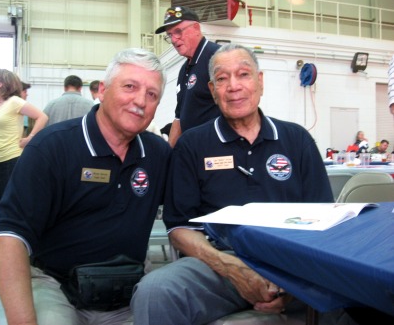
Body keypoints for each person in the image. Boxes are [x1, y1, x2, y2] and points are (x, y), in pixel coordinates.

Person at [131, 44, 339, 325]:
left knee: (352, 288)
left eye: (243, 74)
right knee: (156, 291)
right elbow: (180, 229)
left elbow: (324, 222)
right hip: (218, 264)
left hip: (292, 262)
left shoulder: (297, 140)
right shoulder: (192, 145)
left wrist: (293, 284)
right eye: (222, 78)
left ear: (260, 81)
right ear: (212, 89)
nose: (233, 86)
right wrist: (231, 268)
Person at [0, 48, 171, 325]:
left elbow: (190, 210)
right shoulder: (52, 147)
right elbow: (9, 238)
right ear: (101, 90)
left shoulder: (157, 154)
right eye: (130, 87)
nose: (140, 101)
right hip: (56, 286)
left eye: (152, 94)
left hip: (129, 288)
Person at [0, 69, 48, 270]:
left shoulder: (15, 102)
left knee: (11, 207)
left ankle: (18, 252)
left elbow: (42, 117)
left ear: (0, 84)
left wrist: (30, 138)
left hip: (12, 160)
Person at [155, 6, 221, 147]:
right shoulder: (184, 69)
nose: (173, 39)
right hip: (192, 151)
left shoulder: (216, 58)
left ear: (196, 28)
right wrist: (169, 155)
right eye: (170, 35)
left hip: (215, 150)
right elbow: (179, 118)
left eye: (178, 31)